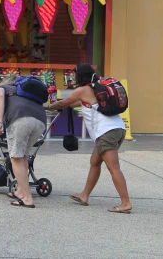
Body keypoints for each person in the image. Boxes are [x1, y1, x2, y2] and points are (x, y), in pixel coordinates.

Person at [48, 63, 132, 214]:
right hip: (116, 129)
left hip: (106, 132)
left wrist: (48, 106)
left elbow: (63, 102)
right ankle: (84, 195)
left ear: (80, 76)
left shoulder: (82, 90)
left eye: (75, 75)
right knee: (95, 162)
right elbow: (79, 103)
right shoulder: (97, 88)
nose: (73, 78)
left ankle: (125, 203)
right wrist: (66, 105)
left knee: (114, 168)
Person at [0, 75, 46, 208]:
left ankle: (27, 198)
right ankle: (19, 191)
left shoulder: (3, 88)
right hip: (40, 121)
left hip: (20, 119)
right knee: (22, 156)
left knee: (15, 158)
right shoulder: (27, 92)